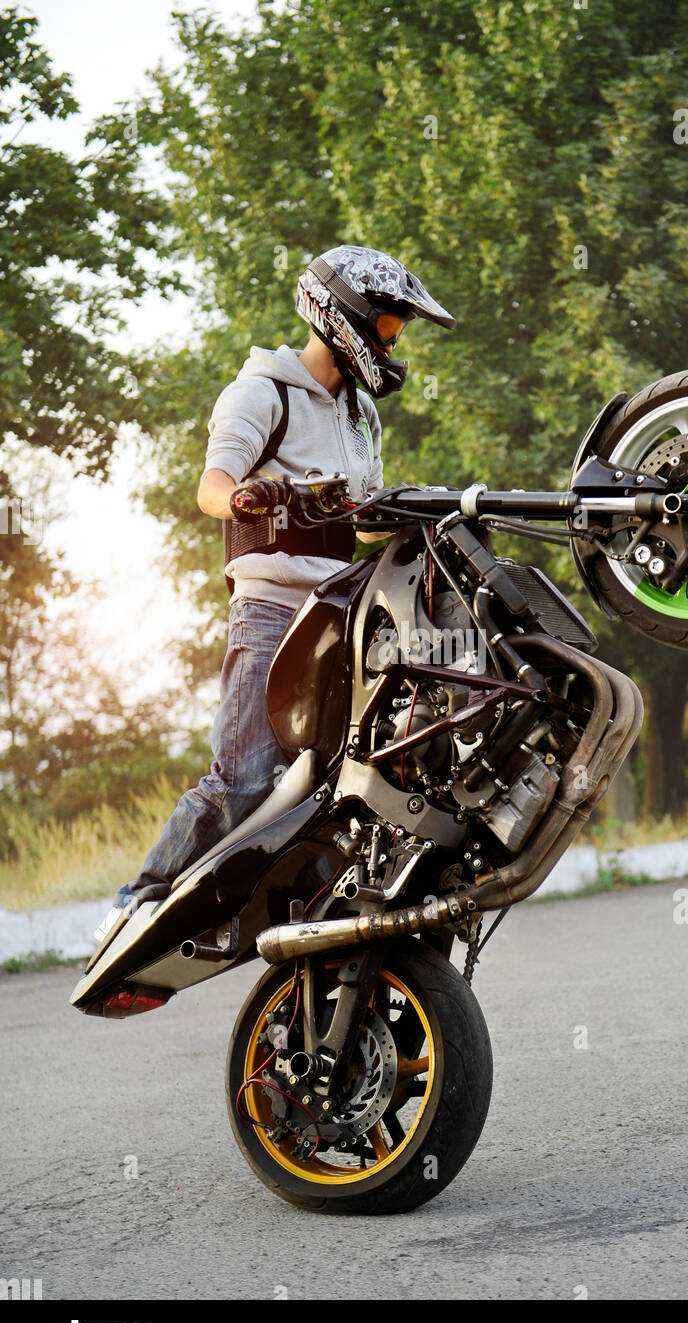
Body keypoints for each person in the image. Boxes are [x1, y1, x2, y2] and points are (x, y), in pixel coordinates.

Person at [111, 244, 455, 914]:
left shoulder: (361, 414)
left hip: (342, 612)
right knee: (244, 780)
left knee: (333, 781)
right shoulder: (260, 391)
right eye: (387, 326)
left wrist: (421, 511)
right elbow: (212, 486)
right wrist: (247, 497)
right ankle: (141, 899)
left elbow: (361, 524)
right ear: (344, 315)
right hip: (270, 611)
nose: (392, 342)